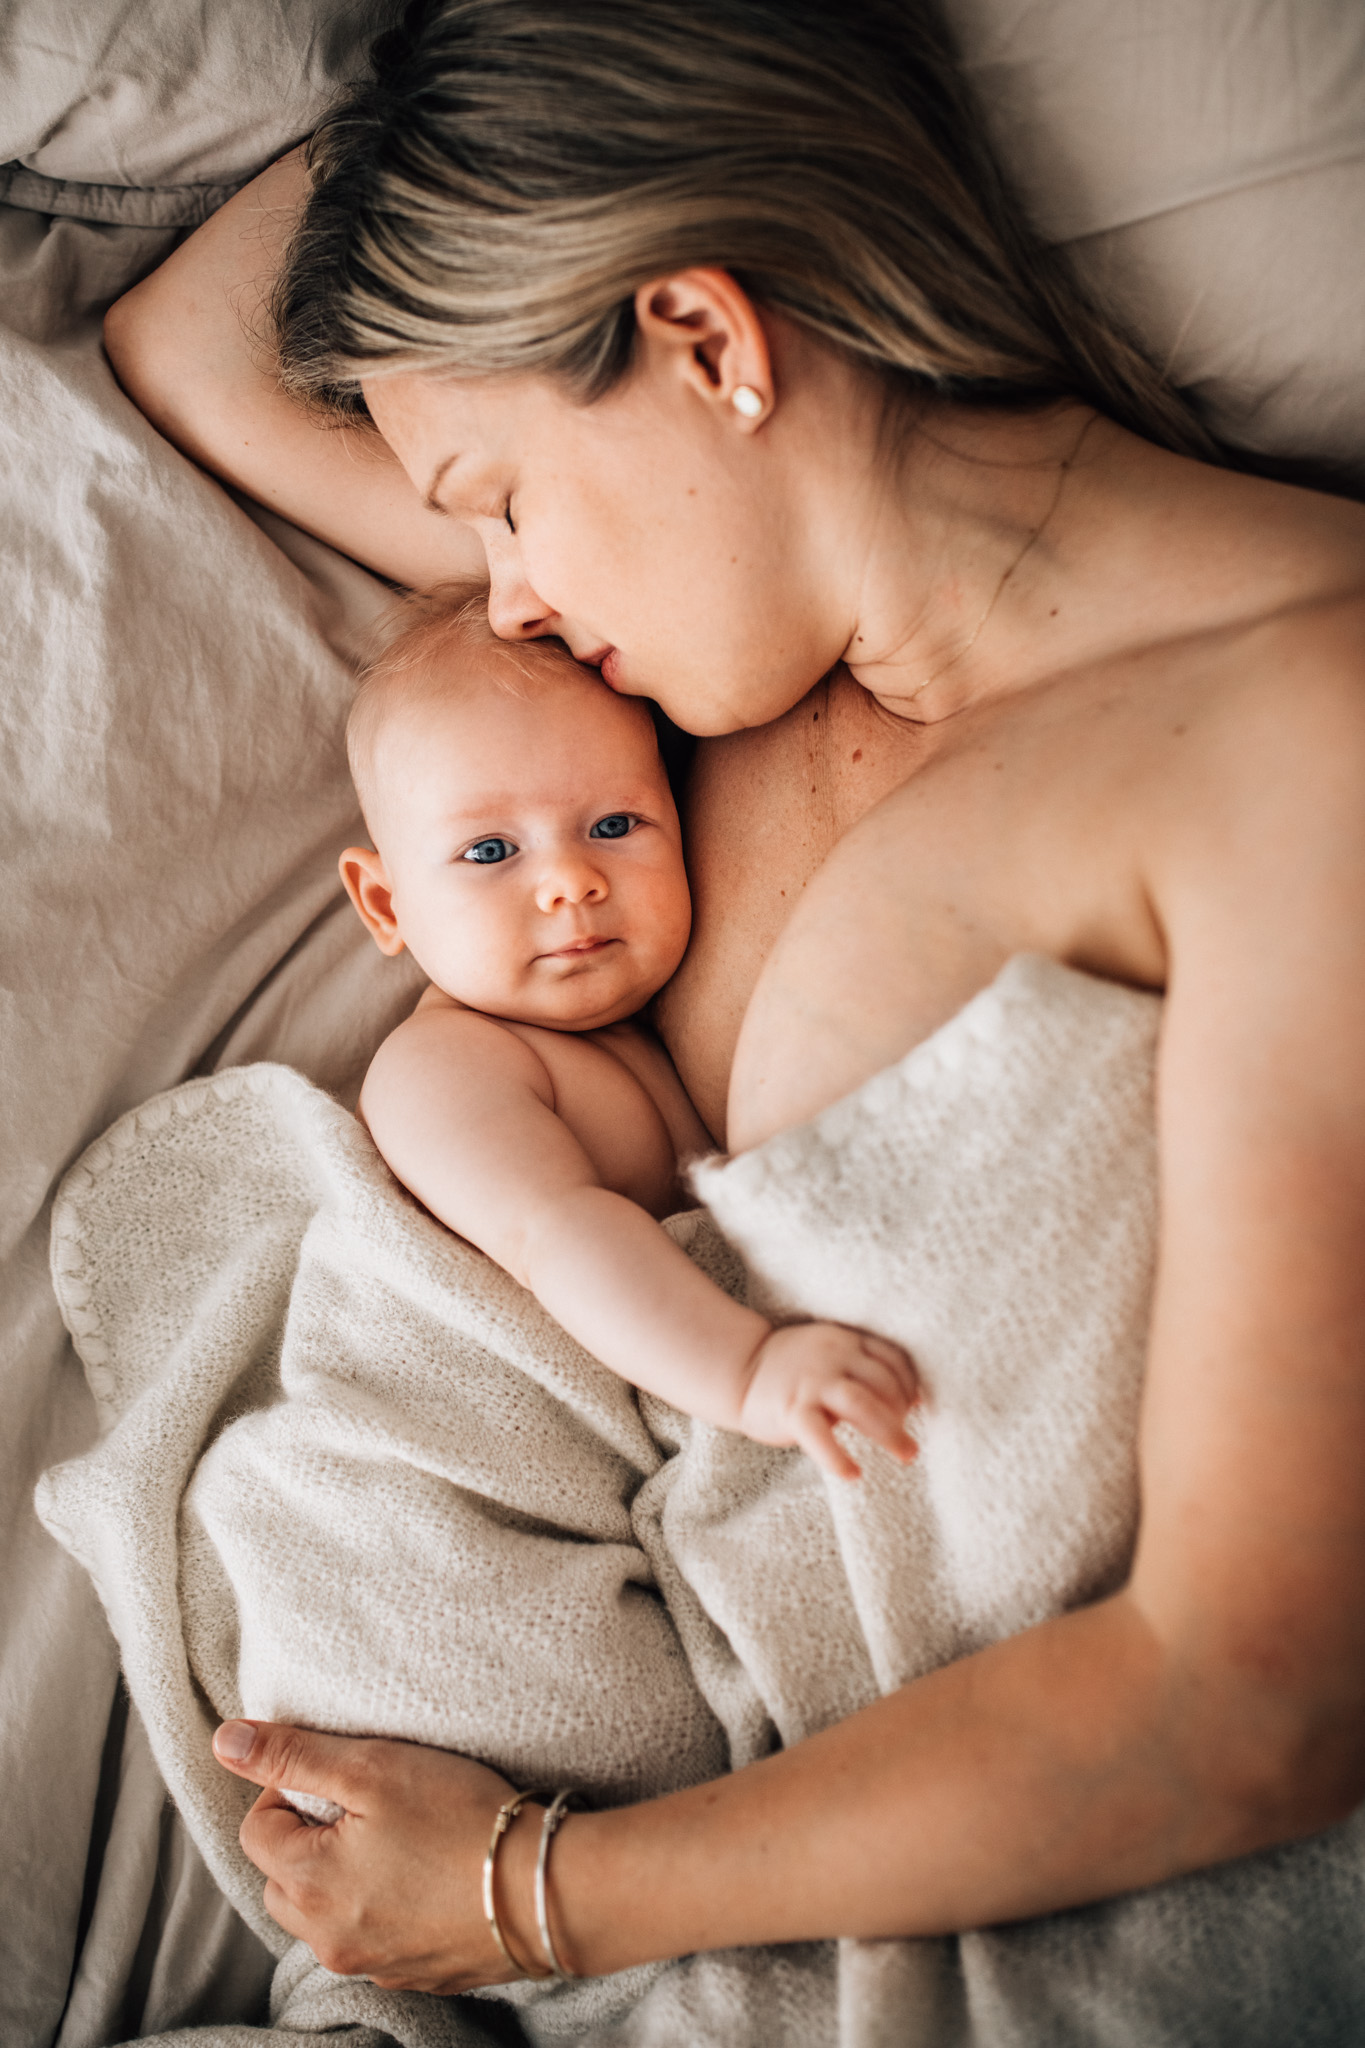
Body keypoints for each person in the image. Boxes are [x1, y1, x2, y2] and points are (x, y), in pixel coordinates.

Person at [103, 0, 1365, 2003]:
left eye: (498, 492)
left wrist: (534, 1893)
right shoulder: (678, 706)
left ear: (701, 339)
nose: (491, 588)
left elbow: (1252, 1692)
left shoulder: (1313, 732)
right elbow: (183, 349)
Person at [339, 594, 918, 1478]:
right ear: (385, 904)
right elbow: (557, 1234)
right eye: (491, 852)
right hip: (609, 1398)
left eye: (614, 827)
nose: (571, 881)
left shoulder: (649, 1022)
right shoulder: (442, 1068)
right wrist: (748, 1370)